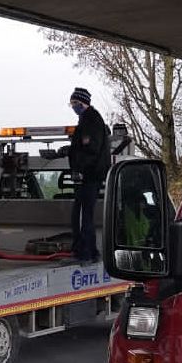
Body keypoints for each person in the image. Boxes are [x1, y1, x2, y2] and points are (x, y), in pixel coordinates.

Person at [66, 86, 110, 263]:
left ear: (82, 103)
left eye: (74, 103)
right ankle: (88, 251)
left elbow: (90, 149)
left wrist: (79, 169)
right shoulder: (88, 120)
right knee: (82, 213)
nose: (73, 107)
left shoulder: (91, 121)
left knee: (84, 214)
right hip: (90, 174)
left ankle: (85, 253)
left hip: (90, 175)